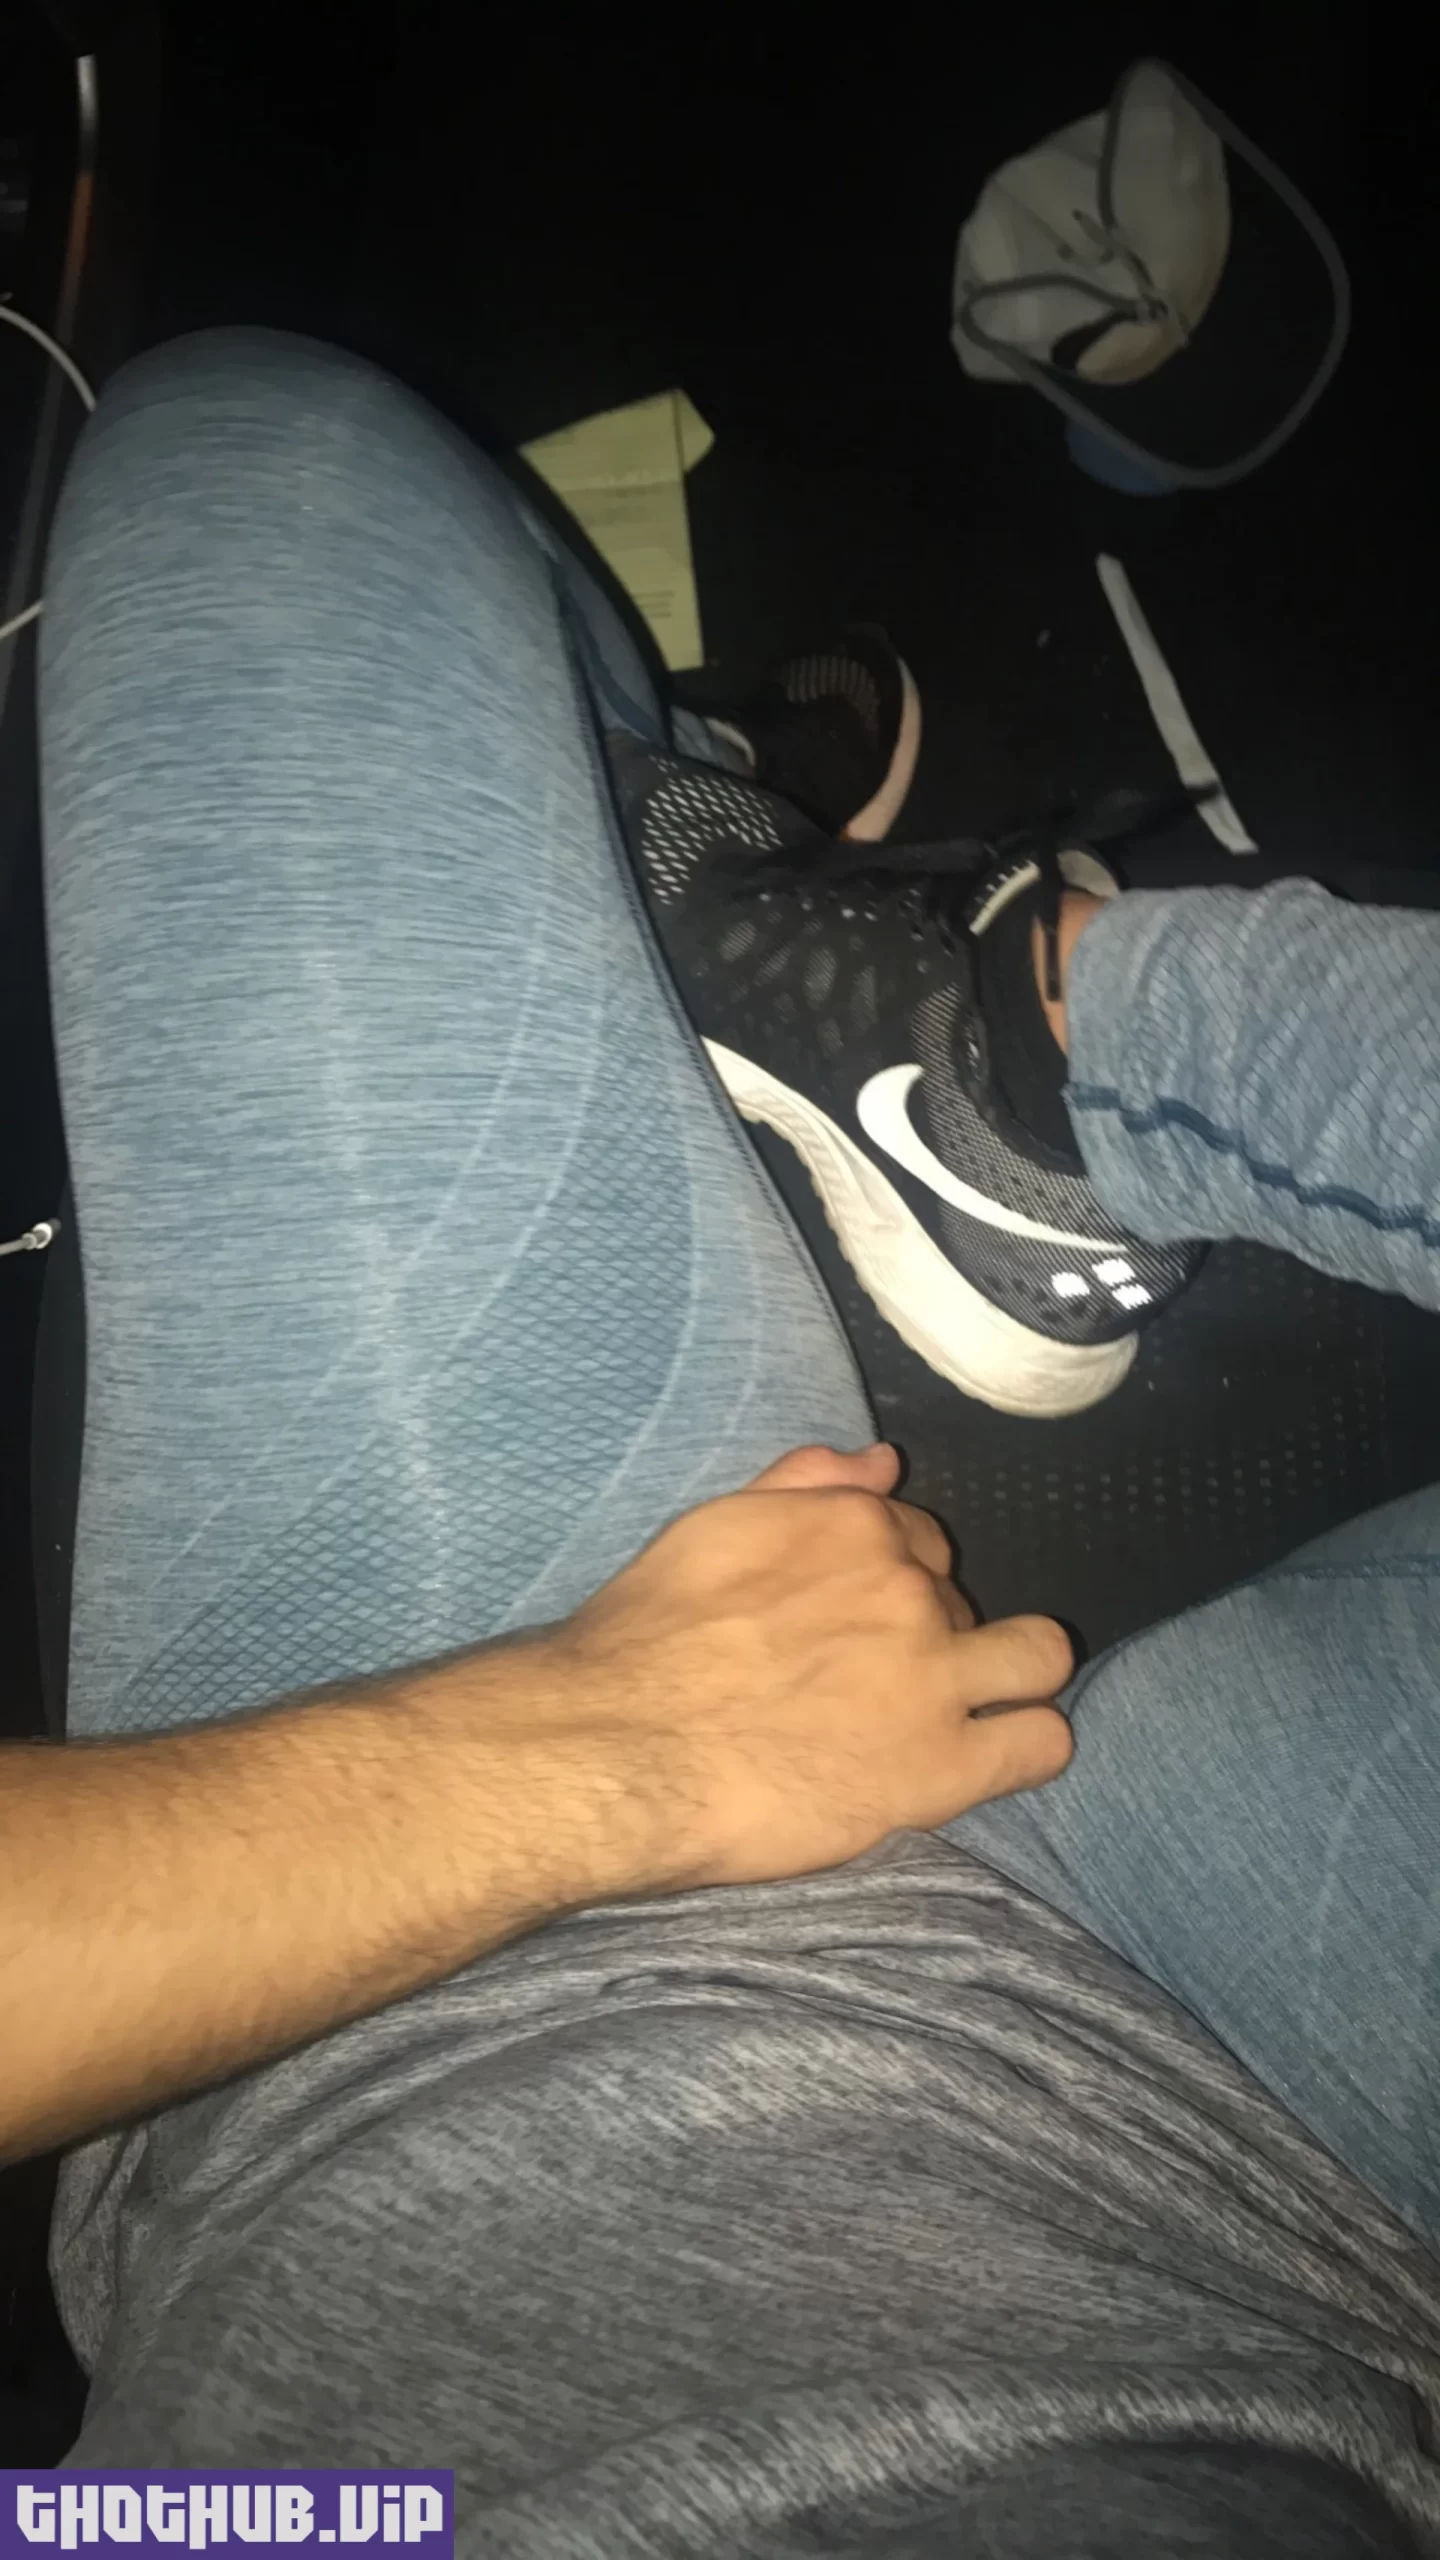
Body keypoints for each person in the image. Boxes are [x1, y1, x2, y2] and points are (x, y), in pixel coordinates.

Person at [4, 328, 1439, 2556]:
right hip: (1326, 2206)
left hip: (434, 2025)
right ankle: (1003, 1036)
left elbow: (123, 2526)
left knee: (252, 464)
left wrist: (597, 1750)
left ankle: (891, 966)